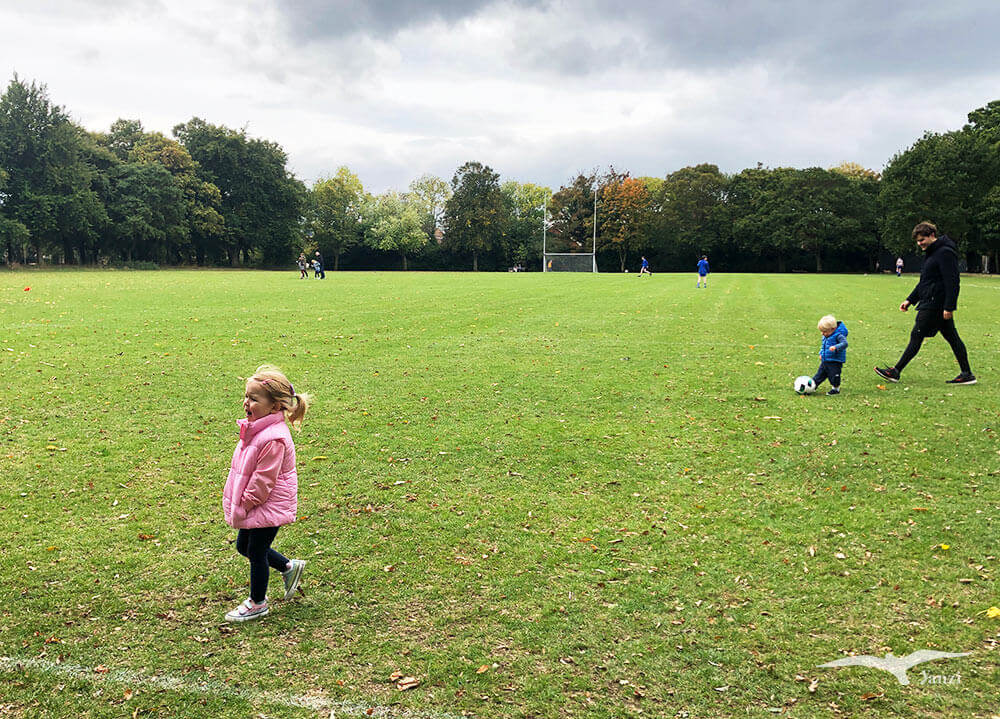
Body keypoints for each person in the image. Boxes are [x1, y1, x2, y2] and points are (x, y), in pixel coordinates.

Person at [222, 365, 310, 621]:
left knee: (257, 551)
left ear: (274, 407)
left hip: (266, 504)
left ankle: (257, 602)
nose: (246, 402)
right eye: (246, 396)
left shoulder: (273, 438)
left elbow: (264, 481)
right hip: (257, 502)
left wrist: (246, 502)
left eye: (253, 398)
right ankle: (288, 567)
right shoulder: (257, 428)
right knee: (244, 546)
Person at [875, 222, 976, 385]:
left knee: (917, 335)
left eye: (922, 240)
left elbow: (952, 282)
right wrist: (910, 299)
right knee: (952, 337)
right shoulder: (932, 253)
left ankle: (896, 371)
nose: (919, 243)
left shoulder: (944, 253)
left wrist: (949, 306)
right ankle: (967, 373)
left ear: (931, 235)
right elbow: (925, 281)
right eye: (917, 241)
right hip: (930, 300)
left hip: (935, 303)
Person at [813, 314, 848, 395]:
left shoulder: (839, 335)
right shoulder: (826, 335)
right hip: (826, 359)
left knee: (834, 375)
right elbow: (823, 346)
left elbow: (844, 343)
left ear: (833, 329)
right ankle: (813, 386)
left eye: (824, 331)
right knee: (820, 374)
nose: (822, 333)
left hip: (835, 360)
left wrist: (836, 347)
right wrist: (821, 353)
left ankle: (835, 389)